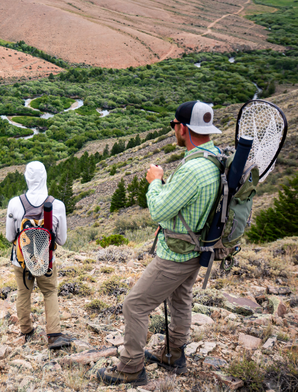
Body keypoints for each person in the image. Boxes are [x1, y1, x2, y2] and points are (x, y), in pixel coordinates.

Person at [97, 101, 223, 386]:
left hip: (176, 255)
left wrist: (155, 181)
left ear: (183, 128)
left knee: (135, 305)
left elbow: (159, 211)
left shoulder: (193, 170)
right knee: (180, 299)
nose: (173, 131)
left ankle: (130, 367)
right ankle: (173, 354)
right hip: (197, 250)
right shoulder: (214, 157)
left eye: (174, 126)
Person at [5, 161, 72, 349]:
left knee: (23, 293)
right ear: (45, 177)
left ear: (26, 177)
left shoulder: (14, 203)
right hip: (47, 262)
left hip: (21, 261)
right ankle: (54, 334)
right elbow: (61, 240)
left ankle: (26, 330)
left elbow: (10, 236)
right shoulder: (57, 205)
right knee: (49, 292)